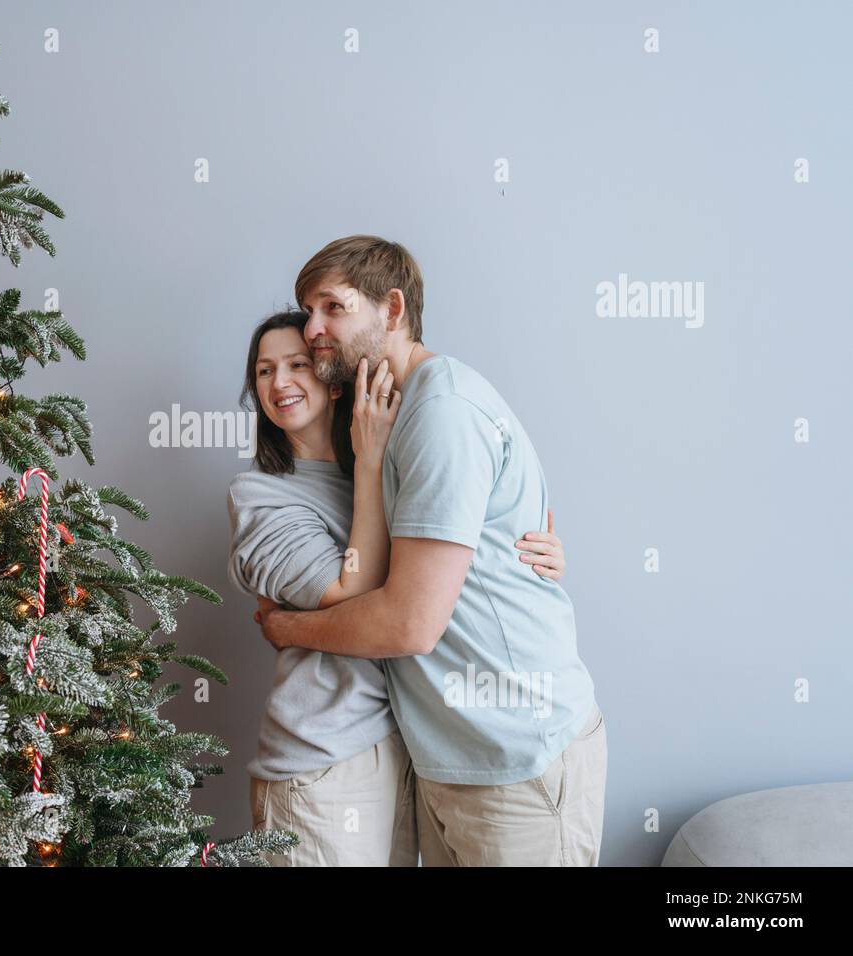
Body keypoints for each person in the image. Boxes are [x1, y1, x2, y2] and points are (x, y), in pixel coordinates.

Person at [254, 235, 606, 866]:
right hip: (449, 758)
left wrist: (288, 625)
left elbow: (409, 623)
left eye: (333, 308)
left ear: (391, 309)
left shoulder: (442, 409)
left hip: (513, 759)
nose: (312, 330)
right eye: (308, 311)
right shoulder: (390, 416)